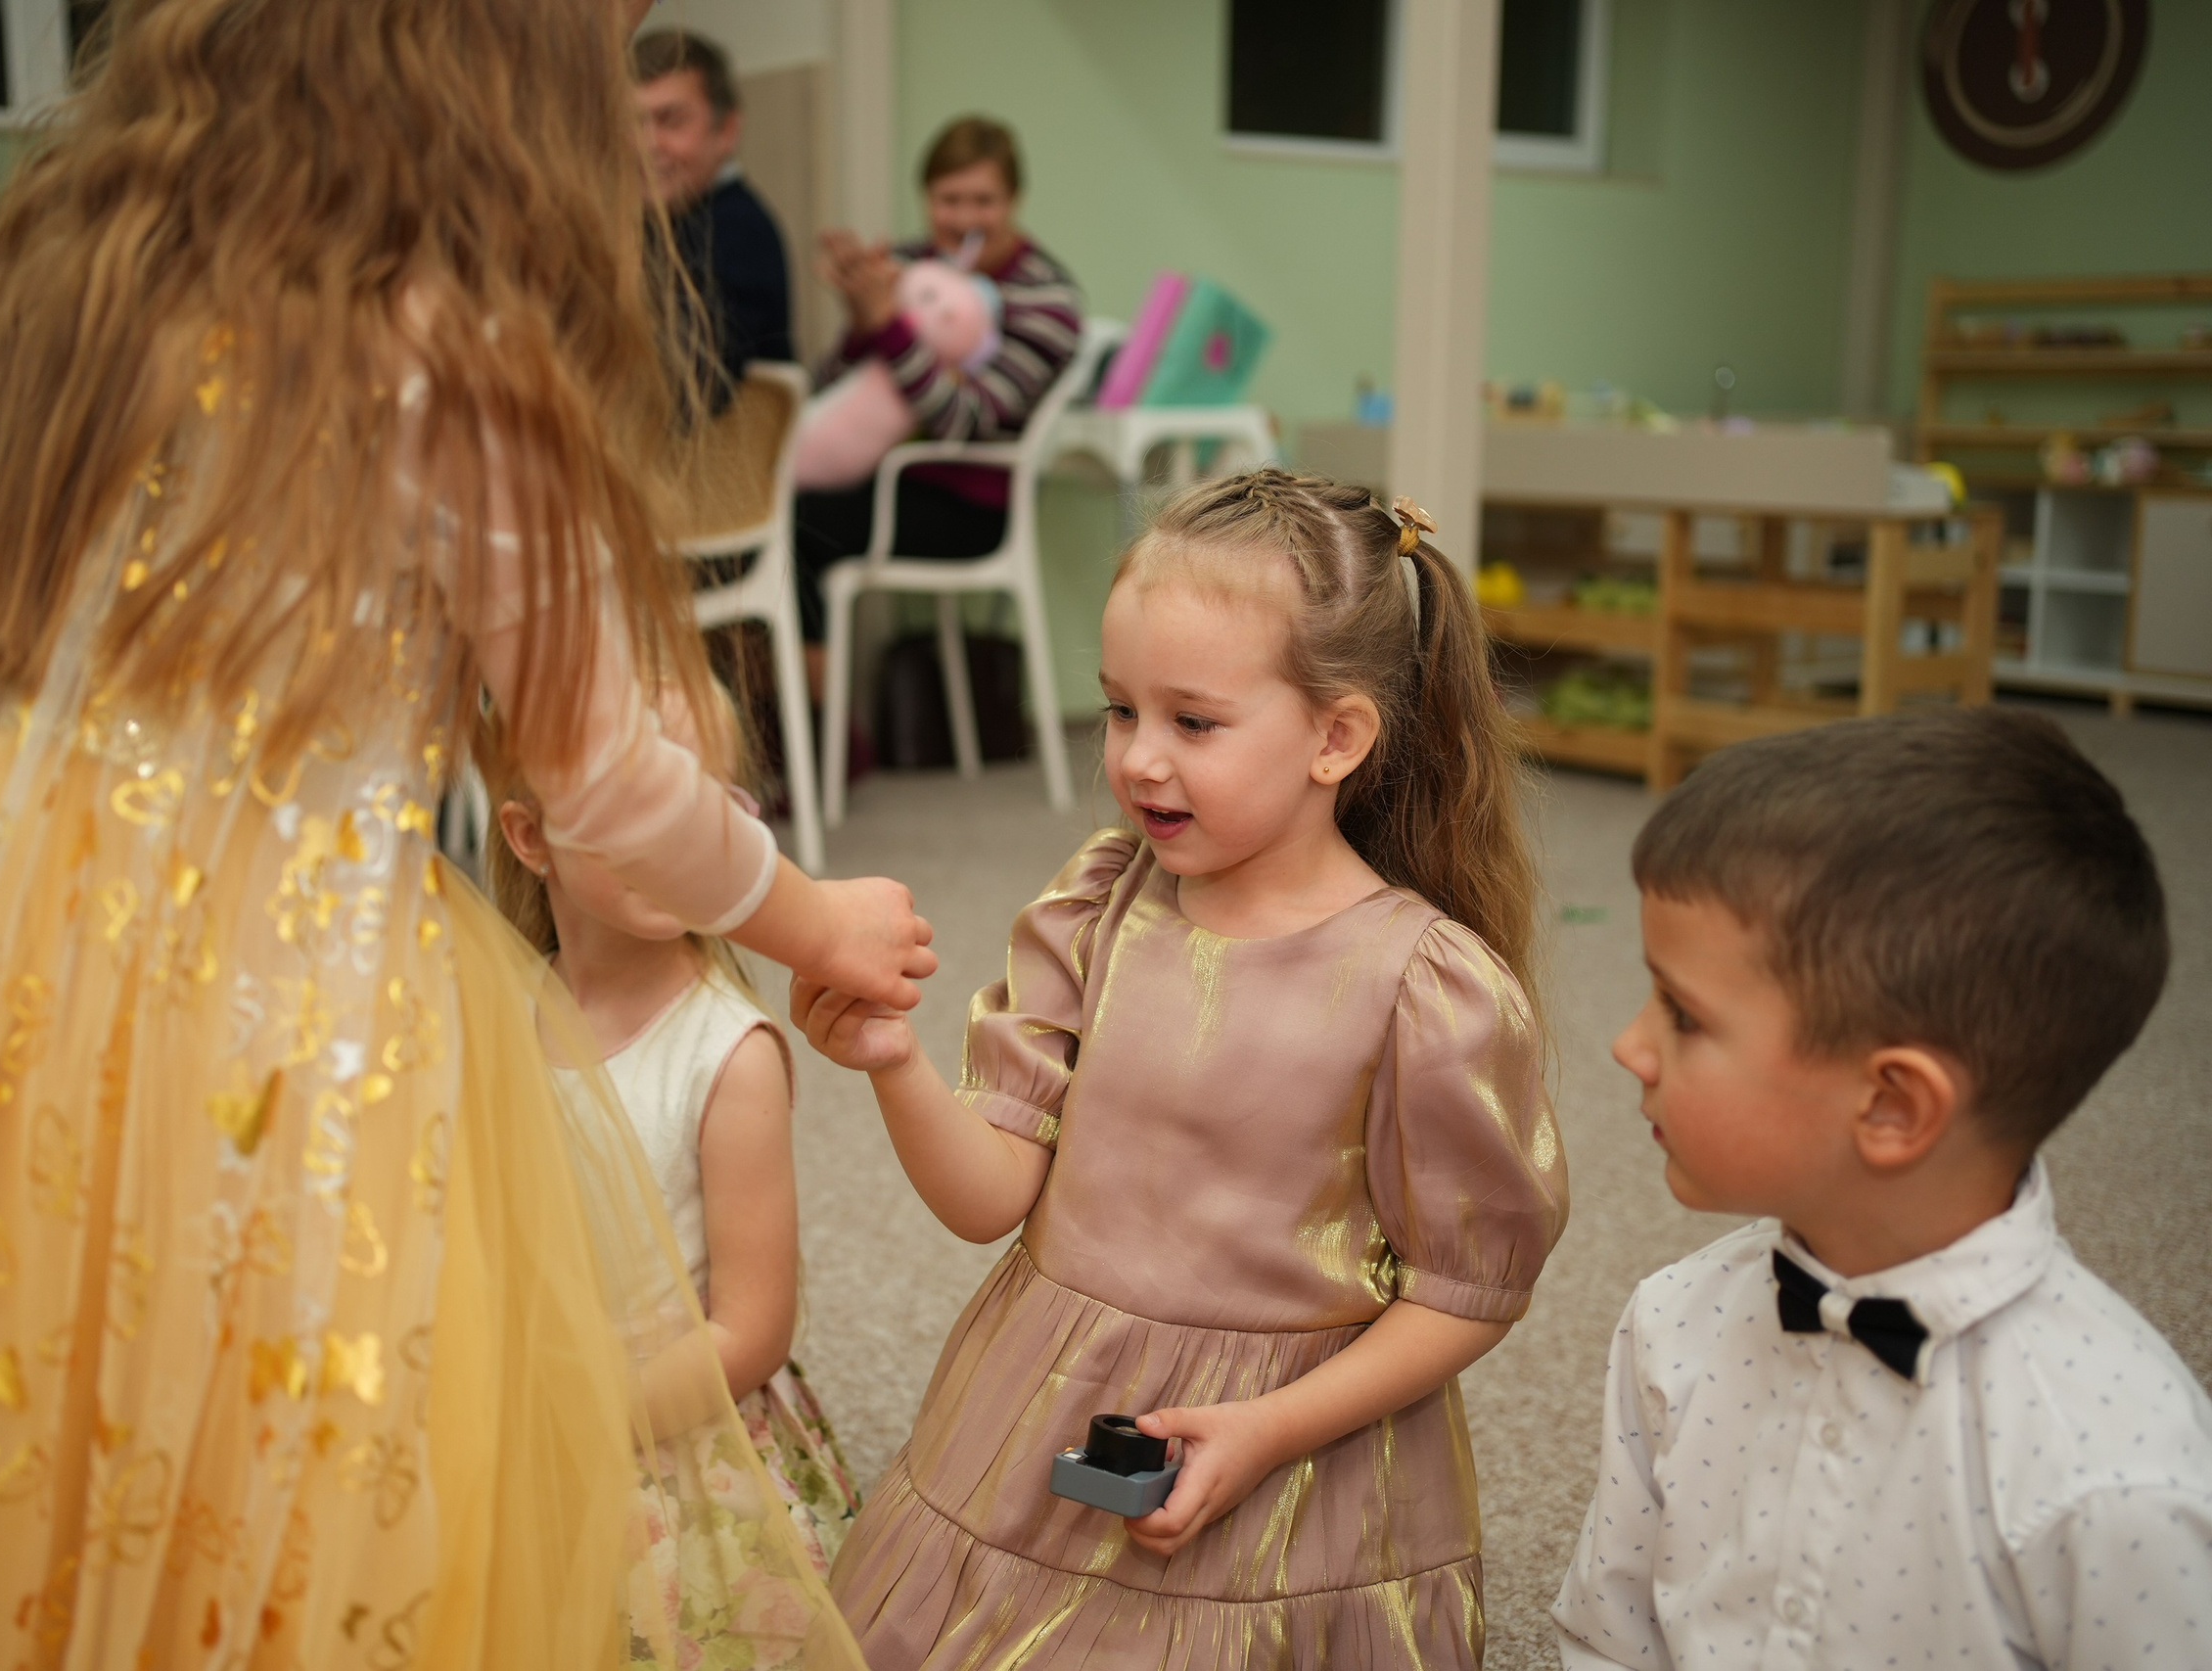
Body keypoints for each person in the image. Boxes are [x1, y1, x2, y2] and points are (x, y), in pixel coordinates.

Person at [0, 1, 930, 1665]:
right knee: (266, 1370)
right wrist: (813, 914)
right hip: (253, 946)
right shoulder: (456, 340)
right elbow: (603, 777)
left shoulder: (87, 266)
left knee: (7, 1333)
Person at [794, 469, 1569, 1669]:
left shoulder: (1425, 985)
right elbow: (986, 1197)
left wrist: (1265, 1431)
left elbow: (1465, 1289)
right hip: (1040, 1402)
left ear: (1336, 736)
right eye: (1117, 711)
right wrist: (890, 1059)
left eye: (1191, 723)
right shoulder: (1100, 907)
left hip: (1295, 1465)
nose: (1138, 761)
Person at [1552, 708, 2209, 1670]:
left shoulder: (2115, 1473)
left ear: (1894, 1106)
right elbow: (1610, 1637)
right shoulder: (1673, 1323)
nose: (1628, 1045)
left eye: (1683, 1015)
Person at [487, 688, 861, 1584]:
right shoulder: (500, 1008)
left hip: (668, 1425)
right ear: (530, 838)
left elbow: (751, 1329)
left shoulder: (728, 1054)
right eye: (632, 808)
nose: (673, 843)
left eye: (700, 808)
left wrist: (580, 1423)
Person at [794, 116, 1082, 707]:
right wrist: (859, 322)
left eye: (984, 200)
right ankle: (787, 724)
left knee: (794, 524)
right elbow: (826, 386)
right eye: (949, 200)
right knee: (766, 509)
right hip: (886, 478)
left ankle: (821, 735)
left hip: (973, 505)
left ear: (1014, 200)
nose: (965, 218)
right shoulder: (909, 268)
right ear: (926, 197)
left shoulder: (1044, 295)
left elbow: (965, 420)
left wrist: (889, 327)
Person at [632, 28, 793, 398]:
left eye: (670, 120)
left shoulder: (739, 234)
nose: (645, 145)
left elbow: (688, 389)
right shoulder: (658, 221)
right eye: (630, 122)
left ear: (727, 130)